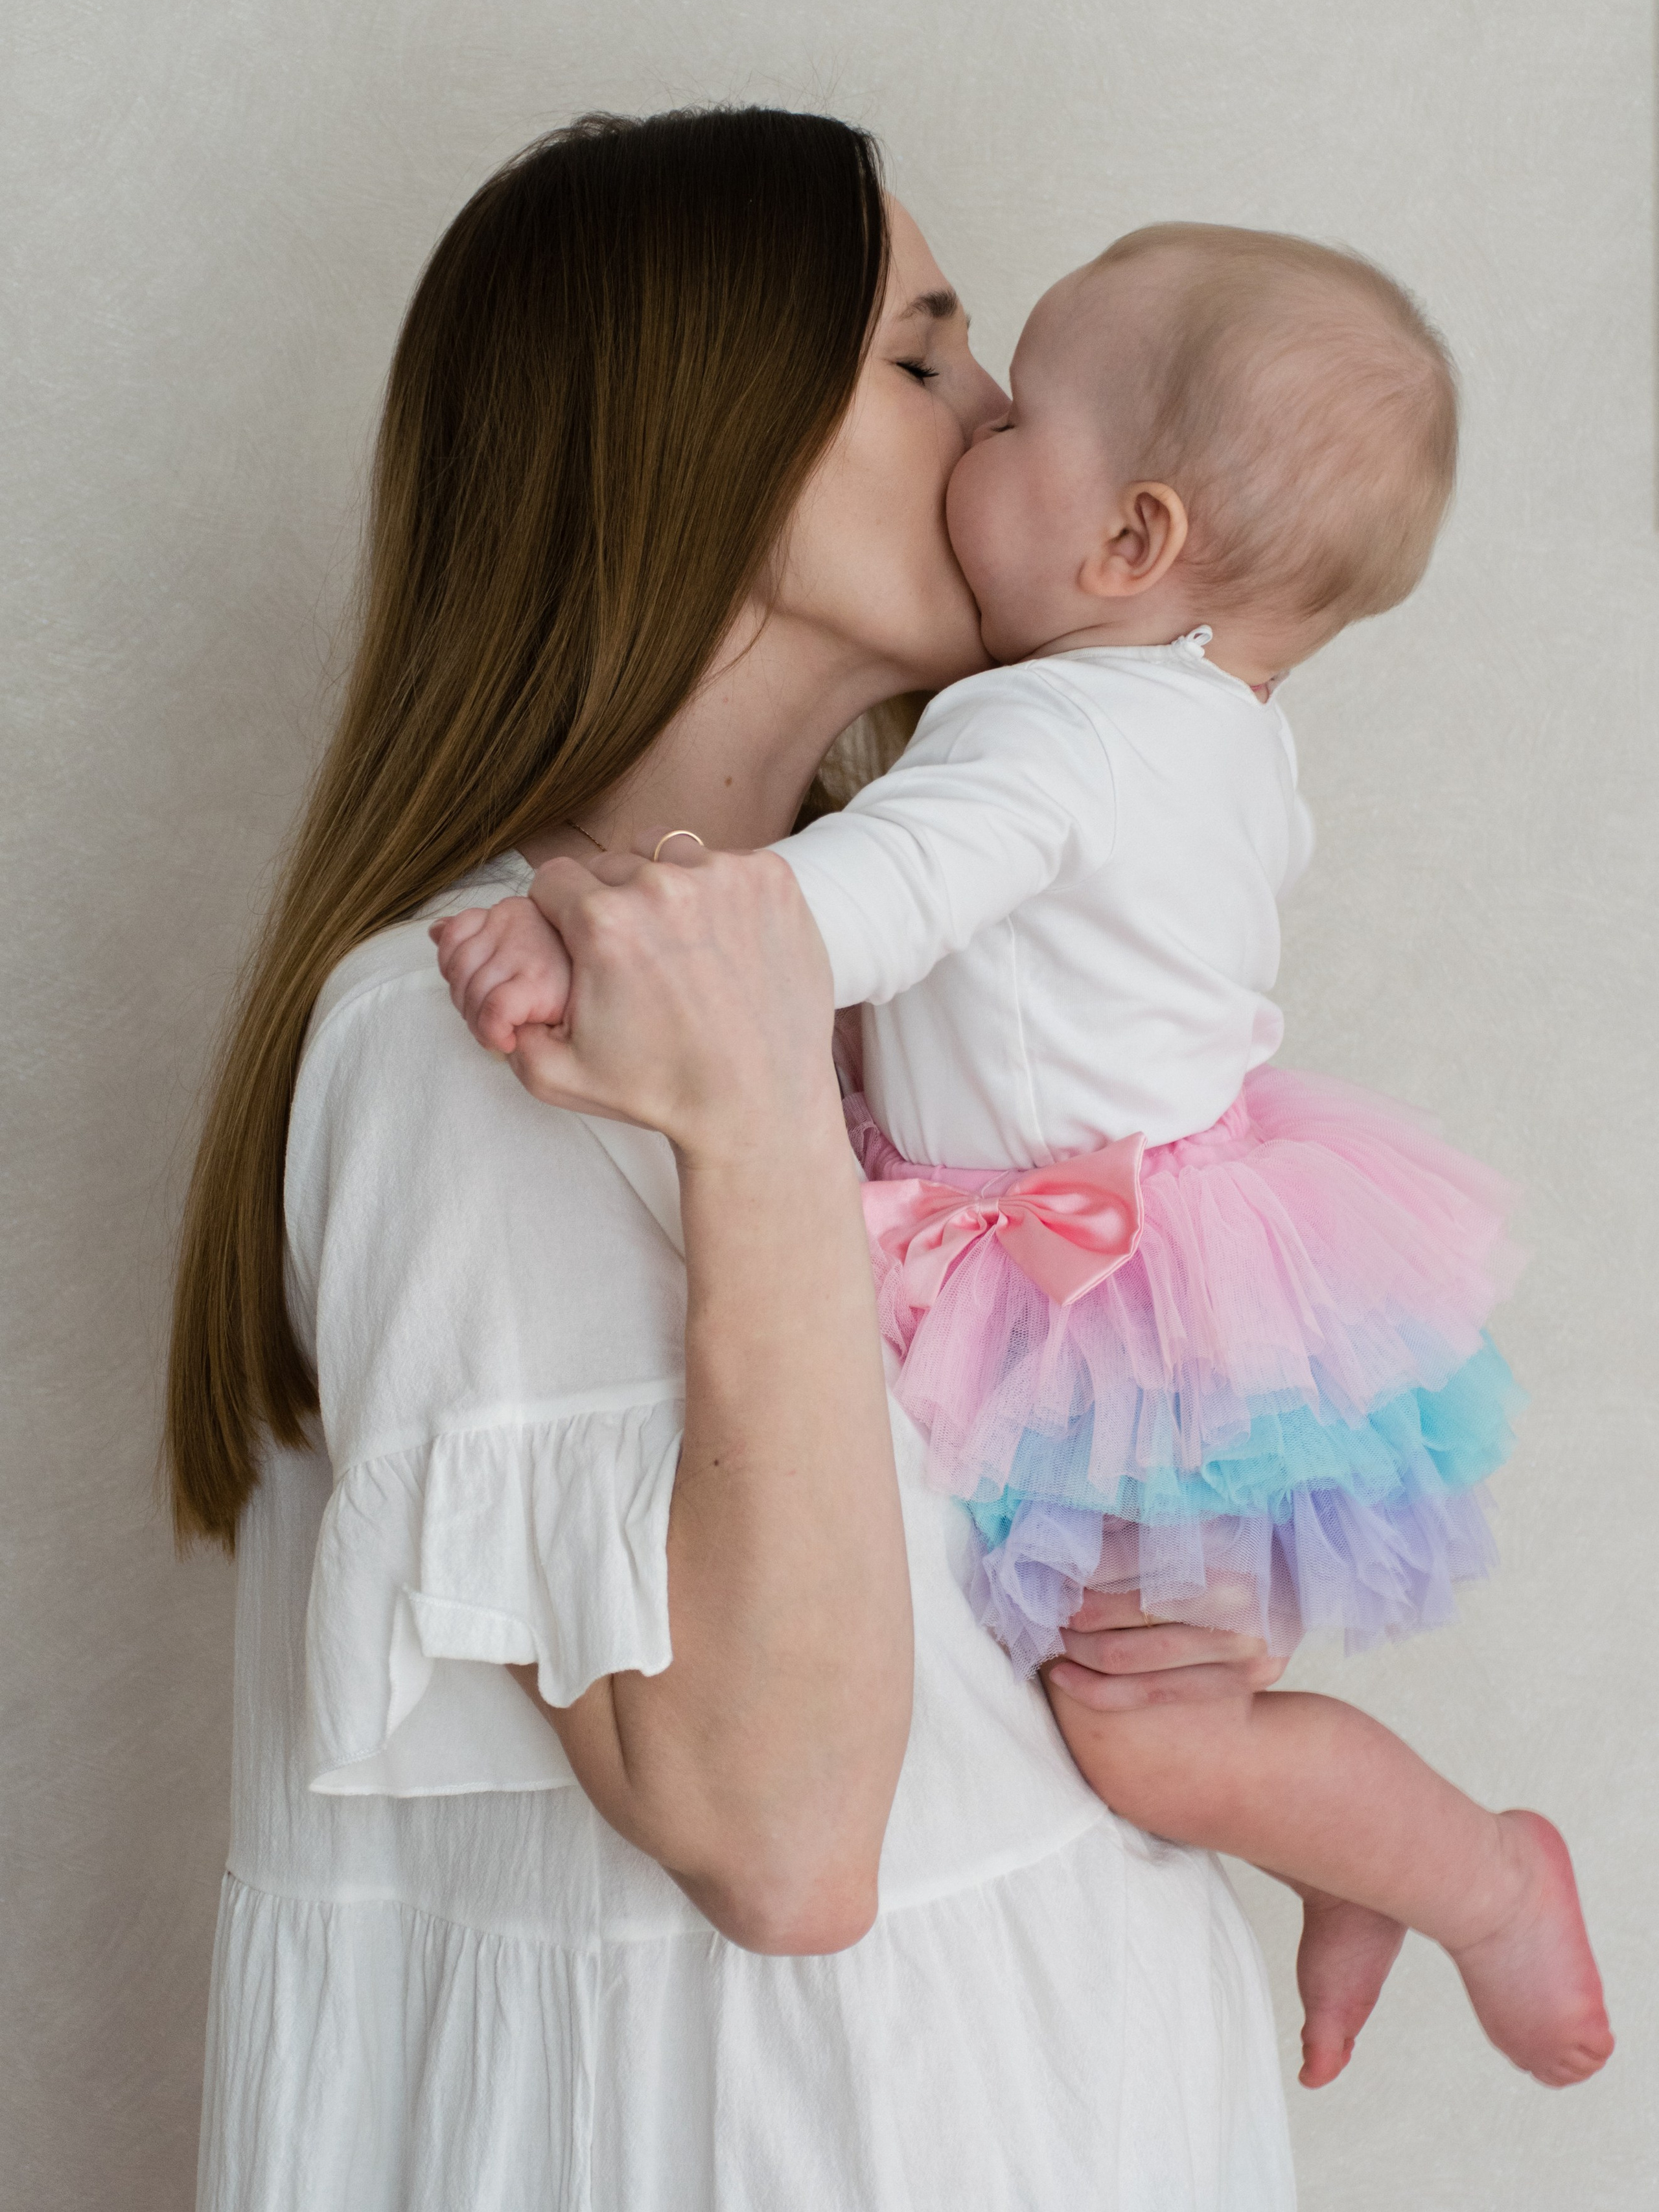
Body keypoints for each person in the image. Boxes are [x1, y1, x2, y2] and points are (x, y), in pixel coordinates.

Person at [171, 110, 1298, 2211]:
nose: (1002, 419)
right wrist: (763, 1094)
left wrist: (1159, 1653)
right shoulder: (468, 1038)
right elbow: (774, 1839)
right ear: (718, 445)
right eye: (927, 355)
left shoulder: (924, 993)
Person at [439, 220, 1614, 2101]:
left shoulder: (1050, 737)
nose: (980, 413)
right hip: (1146, 1264)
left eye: (1017, 406)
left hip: (1102, 1284)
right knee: (1155, 1689)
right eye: (935, 370)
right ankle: (1365, 1858)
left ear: (1128, 543)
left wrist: (588, 923)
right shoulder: (1216, 733)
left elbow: (840, 911)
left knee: (1148, 1732)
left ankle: (1471, 1872)